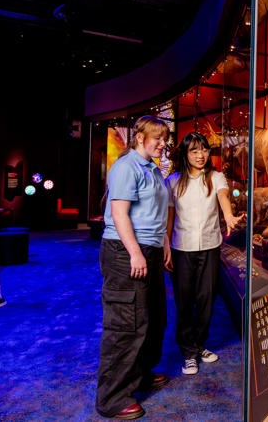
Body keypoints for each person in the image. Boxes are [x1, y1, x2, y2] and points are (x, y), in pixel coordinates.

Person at [95, 116, 171, 420]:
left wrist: (163, 241)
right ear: (139, 137)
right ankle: (112, 397)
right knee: (126, 323)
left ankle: (137, 374)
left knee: (152, 317)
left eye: (165, 138)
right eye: (157, 138)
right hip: (124, 251)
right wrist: (135, 253)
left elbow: (155, 211)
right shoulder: (126, 166)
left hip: (148, 249)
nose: (163, 144)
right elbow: (119, 214)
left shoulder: (151, 168)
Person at [165, 132, 245, 375]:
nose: (201, 155)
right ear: (186, 154)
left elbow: (223, 197)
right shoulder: (173, 181)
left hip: (210, 247)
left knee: (207, 300)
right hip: (181, 249)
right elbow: (169, 217)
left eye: (204, 150)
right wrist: (166, 245)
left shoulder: (217, 177)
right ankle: (188, 353)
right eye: (194, 151)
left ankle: (200, 345)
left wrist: (229, 216)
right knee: (184, 301)